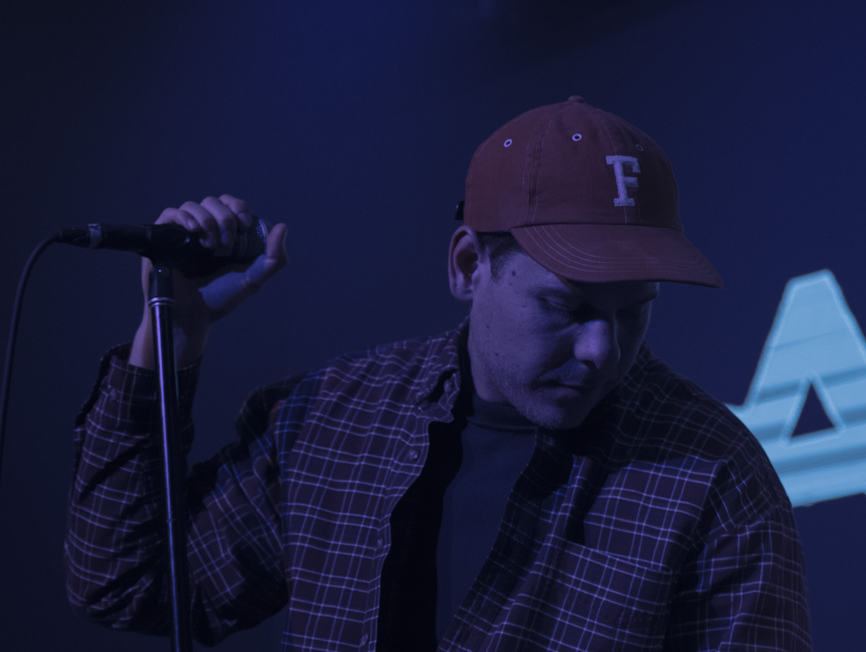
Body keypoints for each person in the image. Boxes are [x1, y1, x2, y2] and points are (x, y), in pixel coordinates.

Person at [65, 96, 812, 651]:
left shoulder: (714, 476)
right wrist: (167, 342)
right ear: (466, 265)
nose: (601, 350)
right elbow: (126, 582)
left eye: (633, 312)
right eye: (569, 306)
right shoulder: (332, 421)